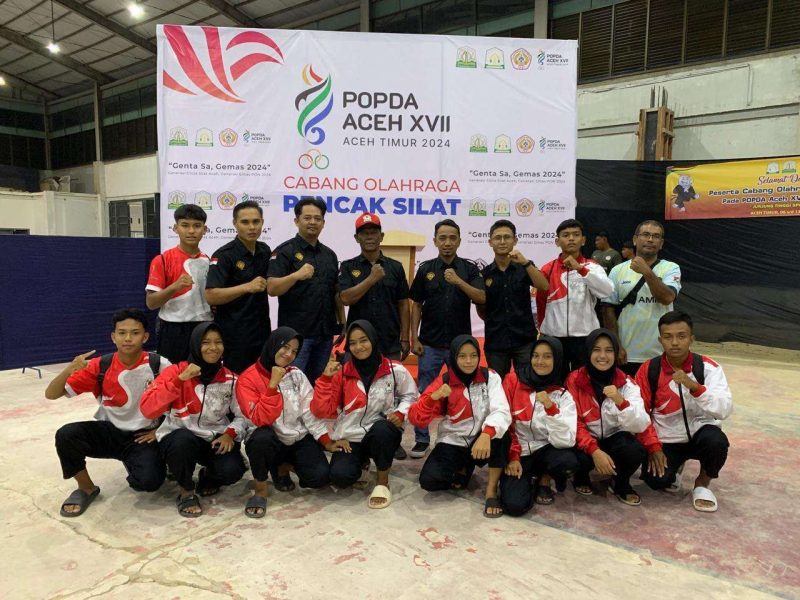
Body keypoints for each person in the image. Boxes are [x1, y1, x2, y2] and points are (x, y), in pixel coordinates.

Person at [46, 309, 170, 517]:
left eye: (135, 332)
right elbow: (51, 394)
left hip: (142, 436)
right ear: (113, 337)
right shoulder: (100, 366)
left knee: (149, 482)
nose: (128, 338)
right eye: (122, 333)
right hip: (110, 430)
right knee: (66, 435)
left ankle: (139, 463)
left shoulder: (160, 365)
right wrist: (69, 369)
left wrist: (160, 430)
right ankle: (86, 488)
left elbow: (180, 402)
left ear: (146, 336)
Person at [141, 323, 247, 517]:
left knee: (233, 470)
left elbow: (243, 415)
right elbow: (148, 408)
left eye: (218, 342)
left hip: (212, 438)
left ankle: (208, 477)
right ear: (195, 344)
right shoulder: (175, 371)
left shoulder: (231, 379)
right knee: (182, 440)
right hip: (179, 438)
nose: (213, 348)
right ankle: (186, 491)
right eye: (206, 342)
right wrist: (180, 380)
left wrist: (230, 434)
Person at [311, 320, 418, 509]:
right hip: (351, 435)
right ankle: (361, 465)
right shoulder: (341, 372)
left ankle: (382, 481)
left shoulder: (394, 370)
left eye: (363, 340)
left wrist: (401, 413)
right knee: (340, 477)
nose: (358, 347)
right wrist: (325, 379)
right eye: (352, 343)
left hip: (381, 433)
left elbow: (411, 396)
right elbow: (322, 411)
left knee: (383, 429)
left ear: (374, 340)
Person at [636, 311, 733, 512]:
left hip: (702, 433)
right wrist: (654, 447)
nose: (675, 343)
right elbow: (640, 414)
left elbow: (724, 408)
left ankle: (702, 484)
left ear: (691, 339)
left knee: (717, 442)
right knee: (656, 481)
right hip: (668, 438)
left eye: (681, 336)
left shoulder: (708, 368)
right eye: (668, 337)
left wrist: (695, 387)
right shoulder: (649, 370)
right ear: (660, 340)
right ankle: (676, 466)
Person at [236, 327, 335, 518]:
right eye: (285, 347)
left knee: (319, 477)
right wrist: (272, 386)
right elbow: (259, 418)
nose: (289, 354)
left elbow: (309, 412)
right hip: (268, 439)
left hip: (297, 437)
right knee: (261, 439)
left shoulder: (296, 374)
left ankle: (282, 466)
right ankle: (261, 489)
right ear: (273, 344)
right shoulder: (247, 379)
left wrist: (325, 440)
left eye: (294, 351)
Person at [409, 335, 511, 518]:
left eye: (473, 355)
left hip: (483, 440)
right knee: (429, 481)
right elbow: (416, 418)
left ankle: (491, 492)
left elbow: (501, 410)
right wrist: (433, 398)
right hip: (453, 439)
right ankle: (463, 467)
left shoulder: (490, 377)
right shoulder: (445, 380)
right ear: (454, 357)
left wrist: (487, 433)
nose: (468, 361)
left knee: (501, 436)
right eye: (462, 356)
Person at [408, 219, 485, 458]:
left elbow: (481, 297)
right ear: (435, 241)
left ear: (459, 241)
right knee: (425, 392)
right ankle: (421, 438)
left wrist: (458, 281)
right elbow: (416, 304)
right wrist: (414, 337)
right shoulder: (425, 269)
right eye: (442, 238)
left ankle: (457, 436)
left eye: (452, 238)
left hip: (459, 348)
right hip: (429, 343)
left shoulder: (469, 269)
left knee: (460, 392)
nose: (447, 242)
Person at [339, 212, 412, 459]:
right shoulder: (348, 267)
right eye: (364, 233)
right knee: (357, 391)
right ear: (356, 238)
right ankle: (356, 435)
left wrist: (405, 337)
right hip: (357, 344)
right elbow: (345, 298)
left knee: (390, 393)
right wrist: (371, 279)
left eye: (373, 233)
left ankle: (392, 437)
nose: (369, 237)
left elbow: (403, 303)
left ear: (381, 236)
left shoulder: (395, 267)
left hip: (389, 340)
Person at [566, 329, 650, 506]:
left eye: (609, 350)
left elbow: (640, 424)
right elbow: (574, 422)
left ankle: (620, 482)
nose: (602, 356)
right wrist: (594, 451)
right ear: (588, 352)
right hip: (586, 441)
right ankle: (580, 476)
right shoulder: (574, 379)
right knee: (571, 456)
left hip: (614, 439)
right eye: (596, 349)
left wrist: (620, 401)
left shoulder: (626, 382)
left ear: (616, 353)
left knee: (635, 451)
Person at [267, 197, 344, 386]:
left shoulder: (330, 255)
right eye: (307, 218)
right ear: (296, 221)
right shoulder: (284, 251)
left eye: (317, 219)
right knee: (293, 385)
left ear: (323, 223)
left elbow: (335, 291)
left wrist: (342, 321)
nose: (312, 222)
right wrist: (296, 275)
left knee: (319, 384)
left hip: (325, 333)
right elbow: (272, 288)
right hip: (297, 337)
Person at [500, 337, 578, 515]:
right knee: (514, 506)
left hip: (546, 450)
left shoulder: (562, 393)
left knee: (569, 461)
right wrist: (513, 456)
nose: (540, 361)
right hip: (519, 451)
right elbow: (504, 423)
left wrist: (551, 408)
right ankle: (528, 479)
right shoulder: (513, 381)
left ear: (557, 359)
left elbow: (566, 440)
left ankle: (545, 477)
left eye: (547, 357)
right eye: (535, 355)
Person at [602, 220, 682, 378]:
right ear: (634, 239)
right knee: (627, 401)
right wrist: (616, 345)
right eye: (645, 235)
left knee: (658, 401)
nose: (650, 239)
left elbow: (667, 298)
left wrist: (647, 272)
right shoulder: (618, 271)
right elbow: (607, 309)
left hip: (660, 354)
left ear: (661, 243)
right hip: (627, 354)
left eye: (656, 236)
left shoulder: (671, 268)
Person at [537, 219, 614, 374]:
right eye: (566, 235)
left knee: (584, 382)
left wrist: (580, 269)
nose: (571, 238)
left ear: (583, 240)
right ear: (557, 241)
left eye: (576, 235)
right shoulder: (547, 269)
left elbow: (606, 291)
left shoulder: (592, 266)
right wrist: (542, 329)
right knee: (556, 382)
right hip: (554, 337)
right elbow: (540, 301)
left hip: (585, 337)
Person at [205, 200, 271, 374]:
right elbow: (211, 295)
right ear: (235, 224)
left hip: (261, 331)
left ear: (262, 222)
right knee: (234, 383)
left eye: (256, 222)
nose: (252, 227)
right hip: (234, 334)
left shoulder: (265, 250)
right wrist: (246, 287)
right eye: (245, 222)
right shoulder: (224, 255)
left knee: (260, 380)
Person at [478, 219, 549, 379]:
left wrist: (525, 263)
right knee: (498, 388)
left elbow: (544, 286)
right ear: (490, 242)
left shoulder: (524, 267)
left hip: (524, 340)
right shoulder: (484, 274)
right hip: (496, 342)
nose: (502, 241)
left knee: (527, 385)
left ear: (515, 240)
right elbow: (481, 309)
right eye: (498, 238)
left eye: (507, 237)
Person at [145, 204, 213, 364]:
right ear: (175, 228)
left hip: (204, 325)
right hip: (172, 328)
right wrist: (175, 286)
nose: (191, 231)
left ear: (205, 229)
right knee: (172, 377)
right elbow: (151, 303)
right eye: (185, 225)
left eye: (197, 226)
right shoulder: (162, 260)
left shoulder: (209, 261)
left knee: (201, 375)